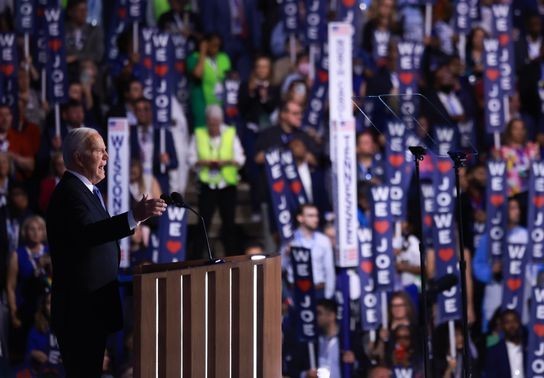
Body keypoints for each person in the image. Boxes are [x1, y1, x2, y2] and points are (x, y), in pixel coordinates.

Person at [46, 127, 167, 376]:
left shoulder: (87, 191)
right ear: (79, 157)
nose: (106, 157)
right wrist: (134, 216)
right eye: (99, 151)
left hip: (92, 309)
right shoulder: (70, 193)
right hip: (80, 311)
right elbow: (89, 234)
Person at [188, 104, 245, 256]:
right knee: (203, 223)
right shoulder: (199, 134)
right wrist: (204, 163)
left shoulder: (230, 134)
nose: (213, 126)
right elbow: (191, 159)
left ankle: (232, 258)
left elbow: (240, 159)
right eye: (211, 123)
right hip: (207, 185)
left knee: (229, 225)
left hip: (226, 185)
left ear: (221, 121)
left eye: (216, 123)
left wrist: (226, 162)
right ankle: (197, 258)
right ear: (206, 121)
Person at [286, 204, 336, 299]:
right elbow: (281, 268)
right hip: (296, 292)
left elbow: (329, 270)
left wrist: (328, 296)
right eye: (310, 216)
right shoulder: (290, 240)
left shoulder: (323, 240)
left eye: (316, 215)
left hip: (318, 291)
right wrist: (285, 254)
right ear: (300, 218)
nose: (315, 219)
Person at [484, 309, 525, 378]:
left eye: (514, 321)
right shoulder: (495, 351)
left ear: (519, 323)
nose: (512, 325)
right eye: (507, 322)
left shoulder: (529, 349)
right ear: (502, 326)